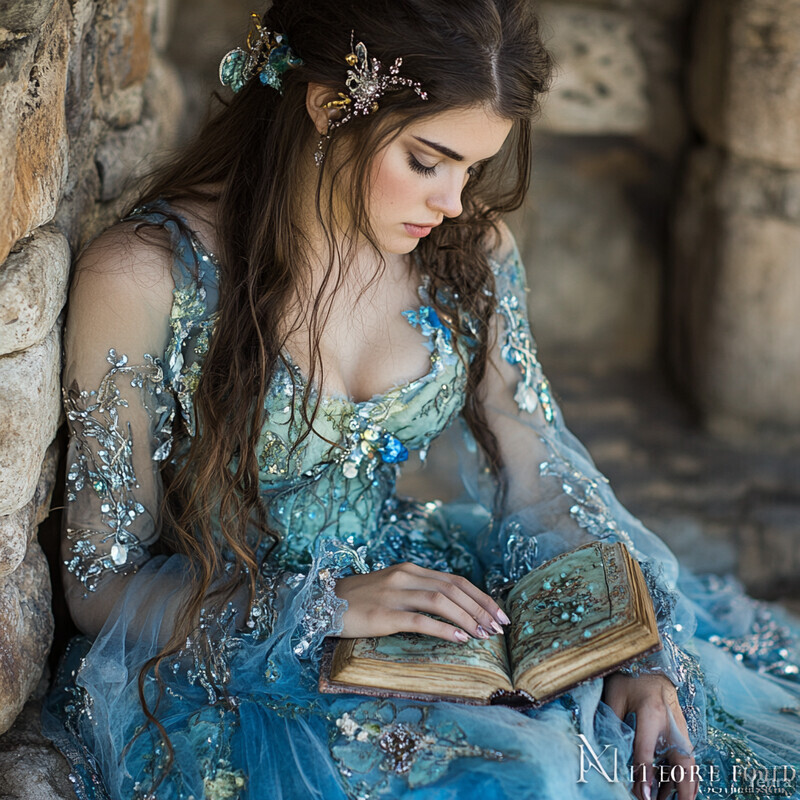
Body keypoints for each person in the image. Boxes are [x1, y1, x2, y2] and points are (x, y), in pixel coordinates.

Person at [42, 1, 800, 798]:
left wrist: (619, 648)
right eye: (428, 160)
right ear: (331, 107)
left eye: (473, 170)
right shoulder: (145, 277)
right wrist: (317, 610)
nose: (454, 204)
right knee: (533, 774)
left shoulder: (468, 254)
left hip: (424, 590)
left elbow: (536, 466)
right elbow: (99, 583)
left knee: (633, 735)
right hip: (237, 636)